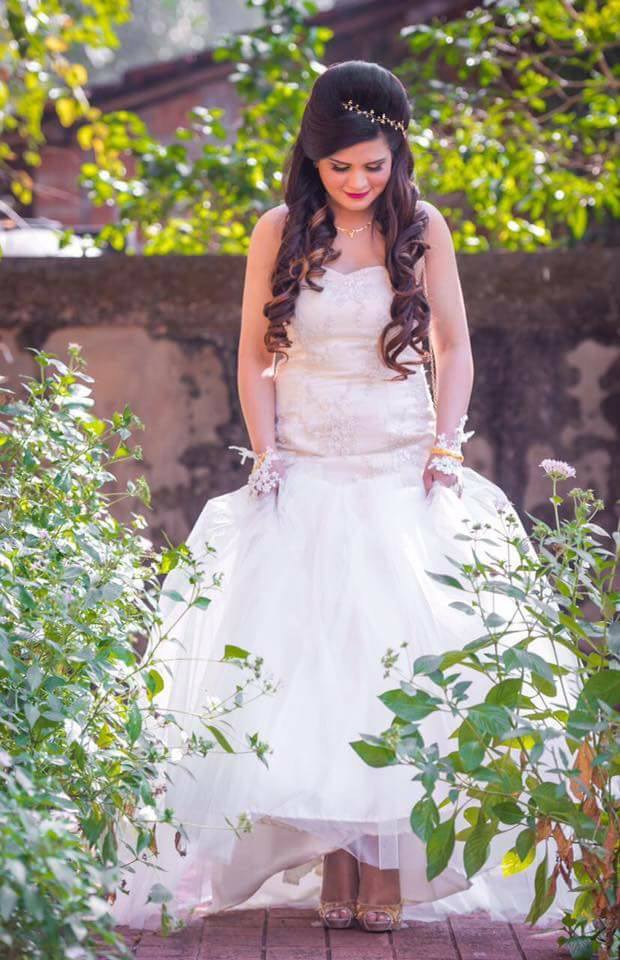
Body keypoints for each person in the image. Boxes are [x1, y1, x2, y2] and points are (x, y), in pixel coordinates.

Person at [111, 59, 576, 934]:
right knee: (316, 667)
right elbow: (255, 356)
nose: (361, 183)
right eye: (341, 168)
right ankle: (337, 858)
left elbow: (455, 343)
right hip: (311, 465)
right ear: (312, 160)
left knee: (399, 663)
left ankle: (386, 868)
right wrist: (269, 454)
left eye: (375, 165)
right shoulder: (276, 231)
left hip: (403, 469)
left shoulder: (423, 227)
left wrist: (446, 442)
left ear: (397, 154)